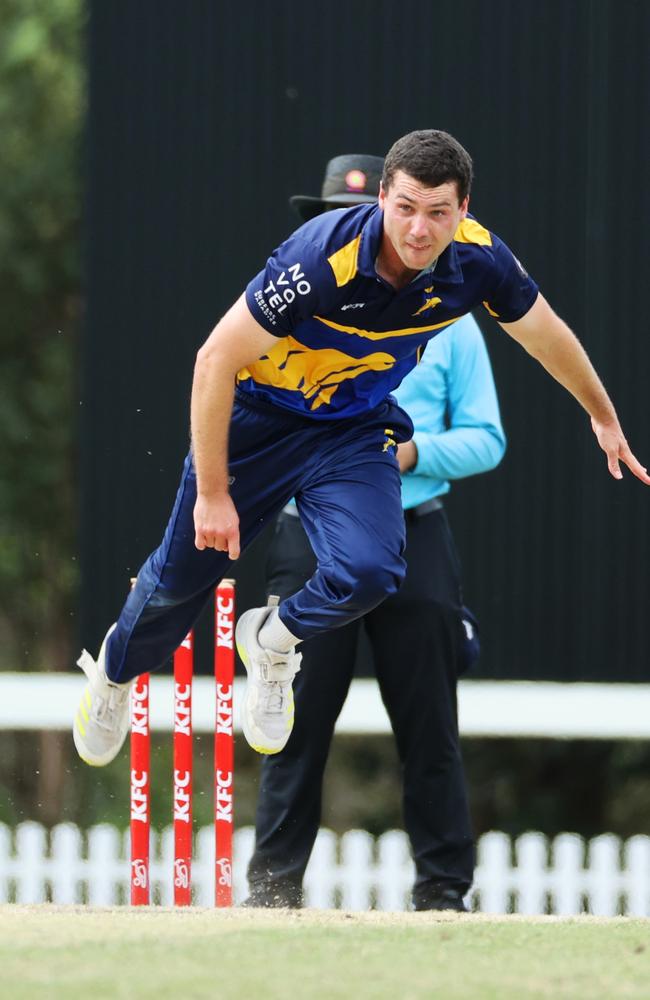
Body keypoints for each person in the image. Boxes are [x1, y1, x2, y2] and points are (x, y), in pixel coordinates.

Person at [72, 129, 649, 777]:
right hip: (260, 419)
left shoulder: (481, 259)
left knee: (373, 572)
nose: (420, 229)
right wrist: (212, 491)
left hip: (353, 426)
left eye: (438, 213)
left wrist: (602, 414)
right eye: (405, 207)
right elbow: (215, 359)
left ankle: (271, 640)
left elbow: (545, 336)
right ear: (382, 198)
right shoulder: (321, 259)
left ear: (464, 211)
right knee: (181, 583)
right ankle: (116, 674)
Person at [244, 154, 505, 912]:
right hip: (311, 534)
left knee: (430, 724)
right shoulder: (283, 309)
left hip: (415, 529)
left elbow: (488, 437)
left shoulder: (450, 318)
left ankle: (444, 893)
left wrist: (414, 450)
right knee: (293, 719)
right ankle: (273, 890)